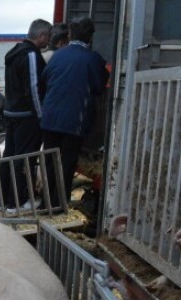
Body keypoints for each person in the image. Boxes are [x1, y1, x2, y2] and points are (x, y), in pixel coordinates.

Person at [41, 17, 109, 206]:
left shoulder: (57, 56)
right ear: (90, 37)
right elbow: (99, 86)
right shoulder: (93, 59)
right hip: (75, 120)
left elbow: (45, 79)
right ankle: (59, 203)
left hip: (50, 117)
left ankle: (46, 201)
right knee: (67, 161)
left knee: (50, 161)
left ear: (70, 35)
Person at [0, 18, 52, 213]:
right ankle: (18, 202)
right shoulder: (30, 54)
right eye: (48, 36)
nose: (49, 41)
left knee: (10, 155)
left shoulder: (14, 52)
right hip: (26, 115)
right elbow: (34, 87)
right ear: (41, 36)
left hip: (12, 112)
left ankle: (2, 200)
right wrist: (40, 116)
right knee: (24, 158)